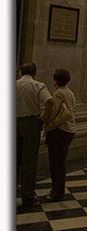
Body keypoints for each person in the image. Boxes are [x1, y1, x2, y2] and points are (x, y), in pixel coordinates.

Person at [16, 62, 52, 206]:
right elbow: (49, 101)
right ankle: (27, 196)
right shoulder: (38, 85)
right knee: (29, 161)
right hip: (31, 123)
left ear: (20, 73)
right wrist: (44, 117)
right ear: (34, 73)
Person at [41, 68, 76, 202]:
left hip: (59, 130)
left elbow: (53, 112)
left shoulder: (58, 94)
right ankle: (56, 190)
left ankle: (57, 192)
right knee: (60, 162)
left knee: (56, 163)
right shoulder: (70, 92)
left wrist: (46, 122)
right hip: (70, 130)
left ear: (55, 81)